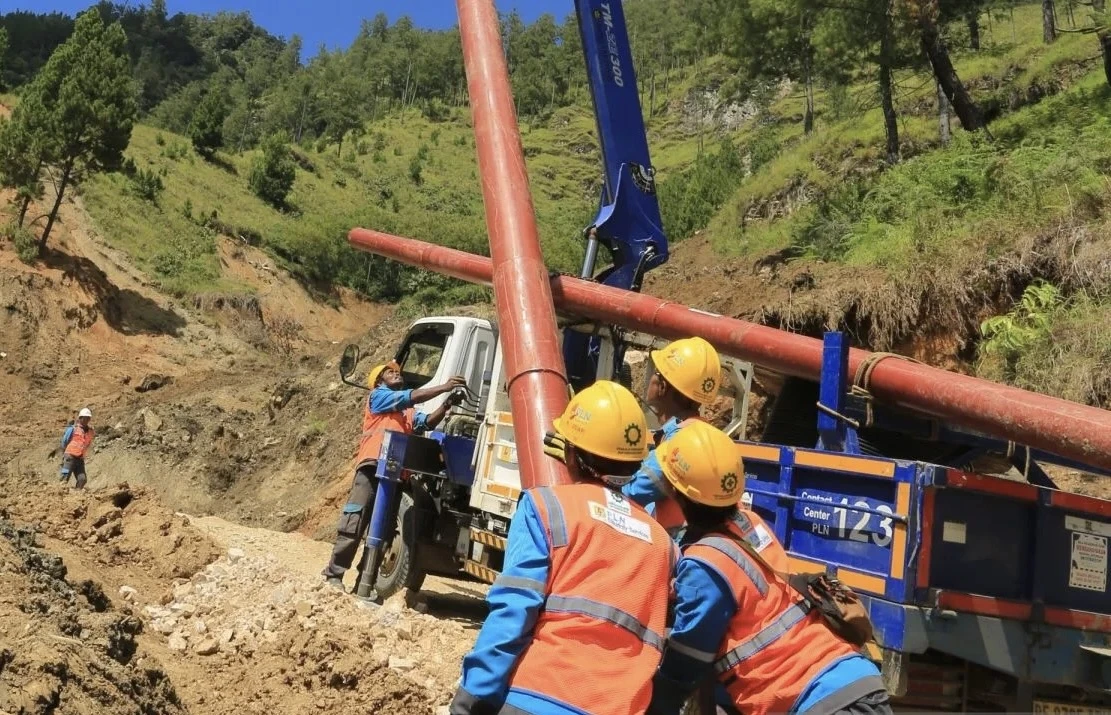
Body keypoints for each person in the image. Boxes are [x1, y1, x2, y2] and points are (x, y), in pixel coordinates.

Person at [450, 380, 678, 715]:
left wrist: (472, 697)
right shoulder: (663, 544)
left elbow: (515, 608)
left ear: (570, 453)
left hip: (541, 695)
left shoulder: (547, 507)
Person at [647, 421, 892, 715]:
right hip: (854, 680)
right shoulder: (751, 524)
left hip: (818, 700)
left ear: (676, 491)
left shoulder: (705, 564)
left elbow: (686, 662)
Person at [322, 360, 466, 590]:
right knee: (355, 522)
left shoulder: (407, 411)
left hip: (396, 475)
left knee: (385, 530)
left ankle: (364, 583)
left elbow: (426, 422)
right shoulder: (378, 396)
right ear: (379, 381)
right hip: (371, 468)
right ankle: (334, 575)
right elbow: (412, 396)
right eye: (390, 372)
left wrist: (447, 404)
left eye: (397, 372)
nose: (396, 374)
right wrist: (444, 387)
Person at [622, 336, 722, 540]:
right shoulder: (707, 434)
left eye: (656, 372)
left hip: (677, 552)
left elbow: (629, 492)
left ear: (662, 386)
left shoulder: (679, 442)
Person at [60, 407, 95, 490]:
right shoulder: (73, 428)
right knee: (65, 477)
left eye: (88, 418)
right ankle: (58, 495)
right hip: (70, 456)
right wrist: (65, 454)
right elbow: (64, 441)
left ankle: (77, 496)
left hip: (80, 458)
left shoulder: (90, 431)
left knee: (82, 479)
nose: (86, 420)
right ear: (80, 418)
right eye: (85, 418)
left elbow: (88, 443)